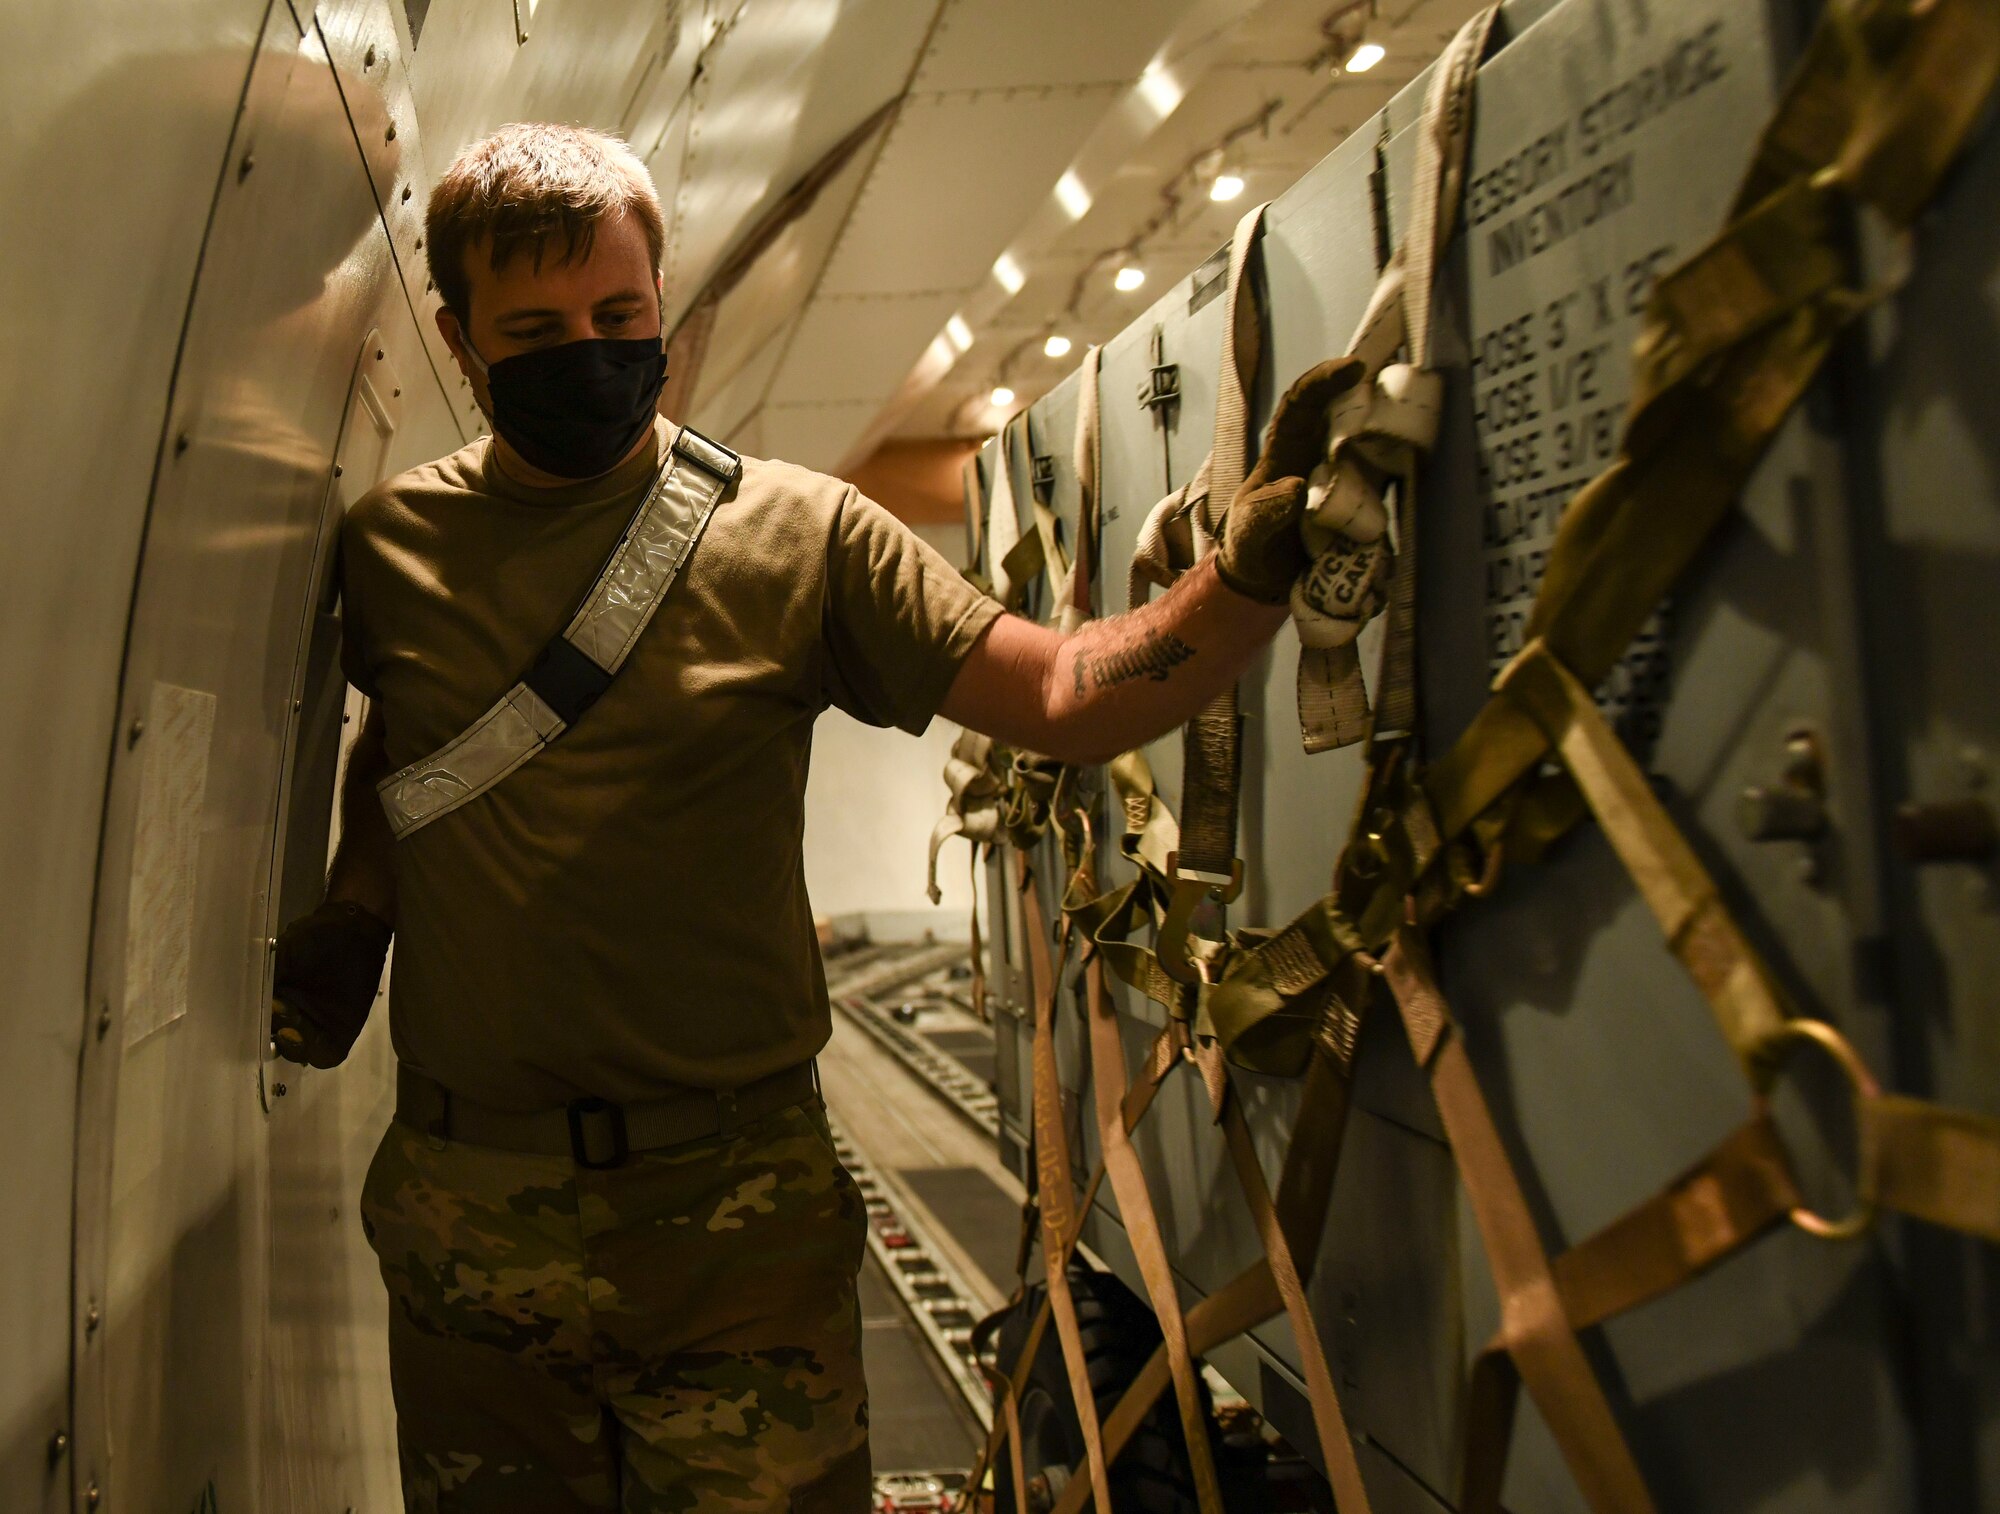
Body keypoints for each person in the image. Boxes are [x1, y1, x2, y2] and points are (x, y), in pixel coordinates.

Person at [270, 121, 1357, 1514]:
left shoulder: (803, 535)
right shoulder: (391, 551)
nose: (588, 351)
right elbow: (406, 756)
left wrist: (1244, 577)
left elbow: (1064, 691)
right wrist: (360, 909)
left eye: (621, 315)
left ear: (667, 310)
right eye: (535, 327)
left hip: (737, 1222)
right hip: (467, 1219)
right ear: (458, 335)